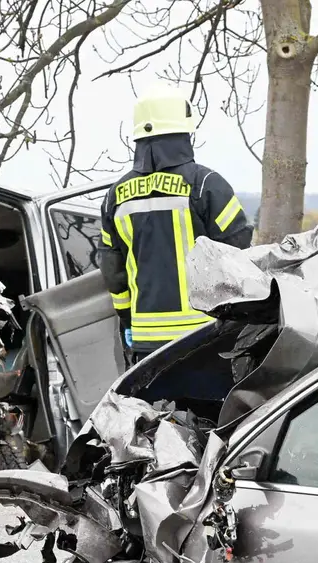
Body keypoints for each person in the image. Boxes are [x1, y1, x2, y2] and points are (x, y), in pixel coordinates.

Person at [99, 84, 254, 360]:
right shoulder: (206, 185)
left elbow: (113, 271)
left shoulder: (116, 196)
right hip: (204, 336)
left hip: (146, 343)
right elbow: (238, 254)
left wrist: (127, 319)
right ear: (184, 132)